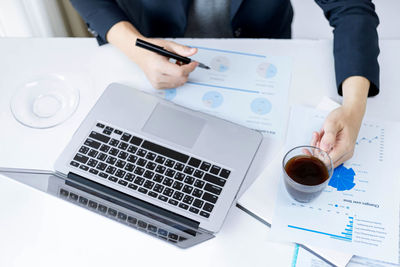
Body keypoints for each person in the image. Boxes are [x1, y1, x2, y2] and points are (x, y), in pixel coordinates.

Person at [70, 0, 380, 168]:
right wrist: (134, 47)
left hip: (262, 51)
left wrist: (353, 109)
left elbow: (351, 7)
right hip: (155, 43)